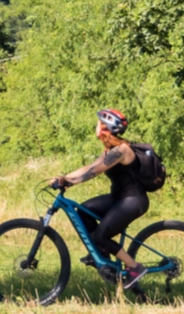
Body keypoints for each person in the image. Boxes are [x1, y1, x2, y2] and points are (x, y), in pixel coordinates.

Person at [48, 108, 149, 287]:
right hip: (119, 198)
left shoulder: (121, 151)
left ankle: (134, 268)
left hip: (133, 201)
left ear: (105, 127)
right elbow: (88, 167)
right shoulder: (108, 151)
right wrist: (64, 178)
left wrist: (69, 181)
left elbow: (94, 172)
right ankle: (102, 258)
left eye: (98, 123)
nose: (95, 126)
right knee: (84, 211)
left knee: (101, 235)